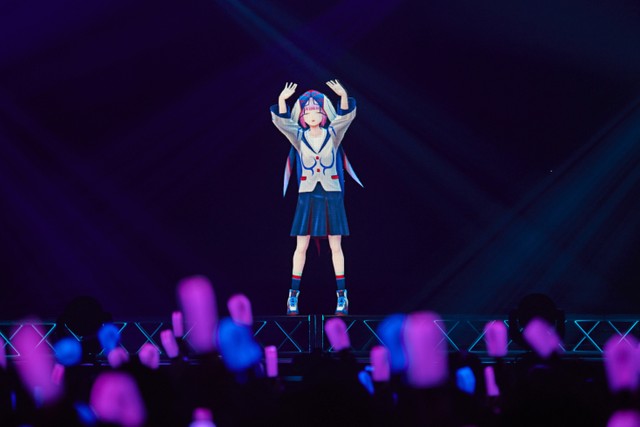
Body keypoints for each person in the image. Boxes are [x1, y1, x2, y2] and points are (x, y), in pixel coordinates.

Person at [270, 80, 361, 316]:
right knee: (301, 245)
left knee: (335, 246)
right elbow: (282, 123)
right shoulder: (299, 137)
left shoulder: (333, 134)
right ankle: (292, 295)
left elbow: (345, 118)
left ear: (323, 115)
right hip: (307, 193)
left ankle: (342, 295)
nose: (312, 115)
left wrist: (343, 95)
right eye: (308, 112)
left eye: (316, 112)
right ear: (303, 117)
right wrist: (282, 100)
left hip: (331, 192)